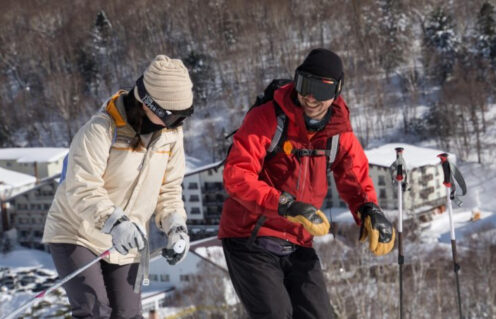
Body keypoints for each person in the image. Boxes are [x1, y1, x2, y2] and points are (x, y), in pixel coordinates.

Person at [218, 48, 395, 318]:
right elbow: (237, 175)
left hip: (299, 240)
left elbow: (354, 176)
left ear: (336, 92)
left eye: (321, 91)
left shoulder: (338, 132)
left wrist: (369, 210)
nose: (310, 98)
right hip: (250, 237)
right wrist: (285, 205)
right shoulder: (268, 118)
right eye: (304, 86)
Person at [43, 55, 194, 318]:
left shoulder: (170, 136)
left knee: (127, 314)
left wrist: (176, 227)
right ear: (150, 104)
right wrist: (115, 223)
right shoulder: (101, 129)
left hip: (128, 240)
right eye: (174, 118)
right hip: (77, 231)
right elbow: (81, 187)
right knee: (95, 311)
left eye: (185, 116)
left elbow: (169, 190)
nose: (179, 125)